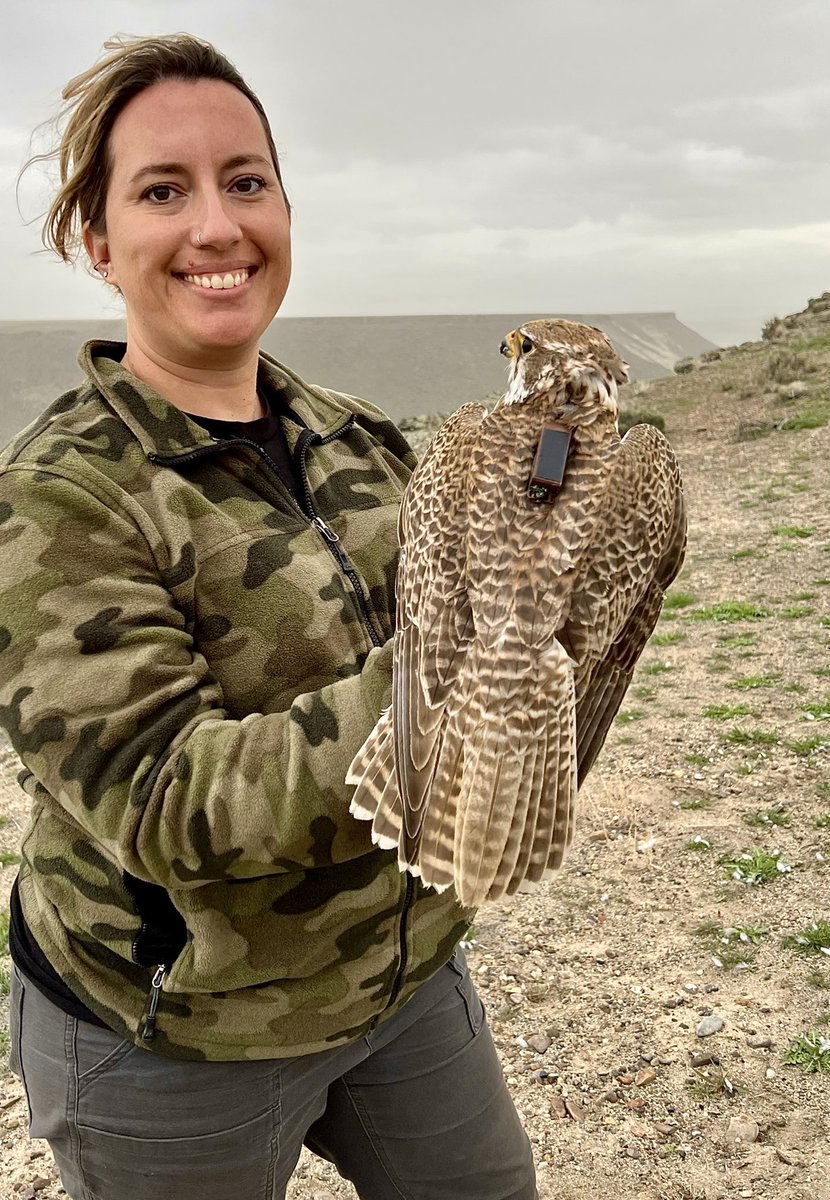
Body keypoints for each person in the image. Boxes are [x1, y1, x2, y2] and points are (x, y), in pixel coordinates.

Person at [0, 34, 537, 1200]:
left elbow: (475, 630)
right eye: (161, 191)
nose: (216, 227)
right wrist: (466, 675)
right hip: (171, 1035)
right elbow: (161, 802)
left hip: (401, 980)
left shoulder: (354, 432)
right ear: (97, 243)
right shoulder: (58, 497)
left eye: (247, 181)